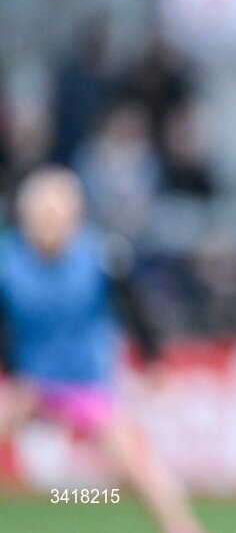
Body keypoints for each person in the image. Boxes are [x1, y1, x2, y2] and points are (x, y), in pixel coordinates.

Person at [0, 166, 203, 533]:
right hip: (27, 382)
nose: (48, 224)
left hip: (85, 381)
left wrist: (152, 361)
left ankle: (181, 526)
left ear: (74, 216)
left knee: (135, 466)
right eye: (40, 214)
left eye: (57, 214)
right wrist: (15, 377)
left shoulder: (100, 255)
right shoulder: (7, 261)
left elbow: (134, 310)